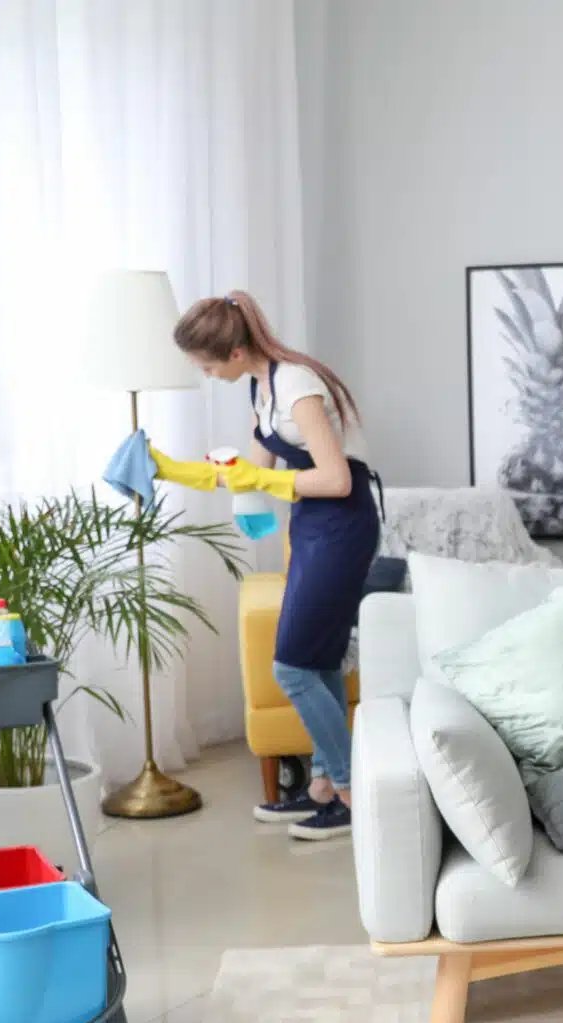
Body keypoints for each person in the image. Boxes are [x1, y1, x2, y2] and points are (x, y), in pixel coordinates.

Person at [161, 291, 380, 840]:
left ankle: (352, 792)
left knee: (293, 666)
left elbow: (337, 479)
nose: (208, 375)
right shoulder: (262, 387)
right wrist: (166, 469)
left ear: (235, 353)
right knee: (320, 659)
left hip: (343, 524)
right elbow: (247, 473)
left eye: (209, 366)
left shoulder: (297, 386)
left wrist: (264, 481)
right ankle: (325, 787)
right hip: (311, 524)